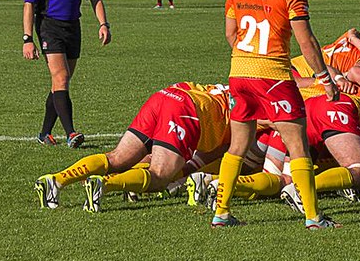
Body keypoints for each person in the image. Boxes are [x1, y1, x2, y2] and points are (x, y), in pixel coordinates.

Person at [211, 0, 339, 229]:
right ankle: (313, 217)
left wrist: (248, 57)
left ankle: (221, 212)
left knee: (238, 146)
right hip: (274, 76)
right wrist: (324, 78)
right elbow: (306, 41)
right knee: (298, 146)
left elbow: (230, 33)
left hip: (239, 72)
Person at [35, 82, 232, 212]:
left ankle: (56, 180)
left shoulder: (225, 89)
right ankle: (105, 184)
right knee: (160, 176)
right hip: (186, 110)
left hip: (165, 96)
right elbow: (219, 154)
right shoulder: (245, 112)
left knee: (116, 158)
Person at [22, 0, 112, 149]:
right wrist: (27, 38)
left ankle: (44, 133)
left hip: (73, 26)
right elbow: (29, 4)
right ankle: (71, 133)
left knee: (60, 82)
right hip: (49, 26)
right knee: (60, 77)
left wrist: (103, 24)